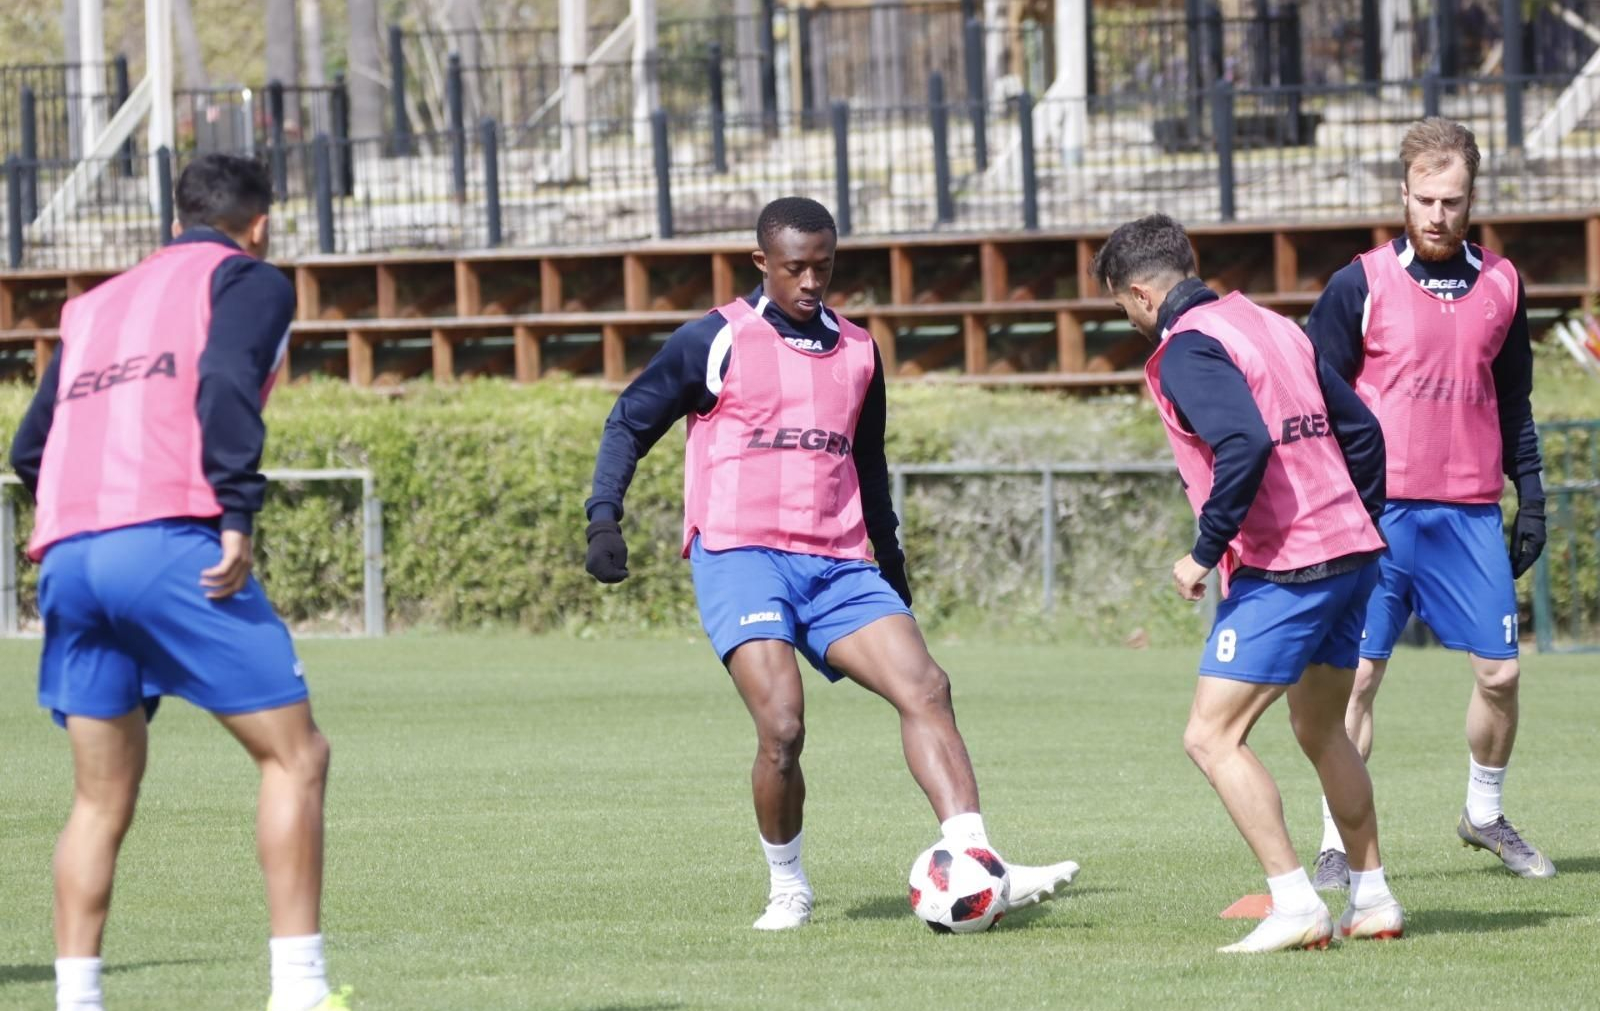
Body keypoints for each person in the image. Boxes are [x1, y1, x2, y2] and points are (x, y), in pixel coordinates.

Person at [583, 196, 1078, 930]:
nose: (812, 281)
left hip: (838, 561)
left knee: (927, 687)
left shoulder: (858, 350)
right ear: (762, 264)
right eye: (795, 268)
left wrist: (893, 561)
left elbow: (867, 465)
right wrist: (604, 517)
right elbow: (630, 419)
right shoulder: (713, 340)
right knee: (782, 728)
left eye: (824, 266)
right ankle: (788, 885)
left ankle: (977, 861)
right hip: (742, 554)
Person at [7, 154, 374, 1011]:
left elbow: (31, 444)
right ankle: (300, 999)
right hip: (168, 543)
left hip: (69, 553)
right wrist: (236, 510)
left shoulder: (92, 306)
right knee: (296, 757)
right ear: (260, 222)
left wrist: (67, 519)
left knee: (99, 799)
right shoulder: (247, 278)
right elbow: (222, 380)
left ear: (177, 217)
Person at [1095, 213, 1404, 952]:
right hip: (1352, 552)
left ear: (1139, 294)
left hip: (1289, 566)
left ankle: (1296, 902)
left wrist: (1204, 552)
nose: (1128, 317)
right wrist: (1352, 519)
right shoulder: (1268, 324)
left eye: (1120, 306)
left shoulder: (1185, 351)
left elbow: (1245, 441)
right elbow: (1361, 429)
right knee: (1323, 727)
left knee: (1210, 735)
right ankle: (1375, 896)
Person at [1304, 118, 1553, 887]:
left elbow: (1514, 401)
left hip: (1469, 513)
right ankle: (1335, 845)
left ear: (1472, 197)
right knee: (1359, 680)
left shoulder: (1503, 285)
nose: (1439, 214)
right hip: (1377, 518)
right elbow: (1316, 399)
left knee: (1501, 677)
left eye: (1453, 200)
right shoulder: (1360, 285)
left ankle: (1483, 814)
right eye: (1425, 199)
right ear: (1403, 196)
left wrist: (1532, 493)